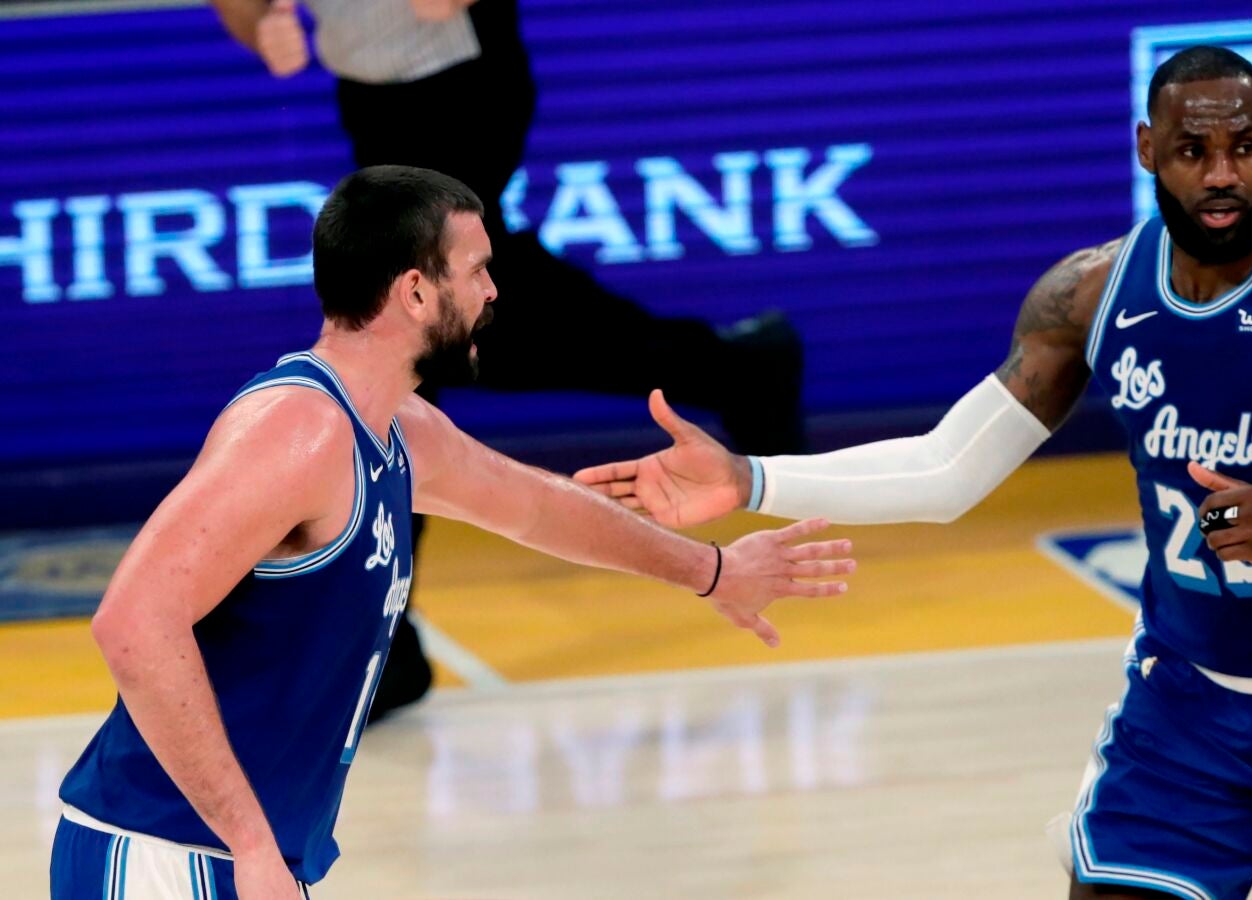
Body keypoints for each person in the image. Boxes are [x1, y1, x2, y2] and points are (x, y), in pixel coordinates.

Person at [575, 46, 1252, 899]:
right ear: (1148, 150)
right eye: (1193, 151)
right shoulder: (1092, 295)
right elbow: (948, 468)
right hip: (1186, 701)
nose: (1222, 174)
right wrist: (749, 479)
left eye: (1243, 147)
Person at [49, 166, 851, 900]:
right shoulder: (299, 430)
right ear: (415, 292)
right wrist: (249, 843)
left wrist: (712, 571)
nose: (494, 292)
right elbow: (133, 622)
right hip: (164, 853)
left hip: (231, 856)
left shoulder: (399, 428)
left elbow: (538, 507)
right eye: (476, 270)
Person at [209, 0, 809, 719]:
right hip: (370, 93)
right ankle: (740, 370)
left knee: (411, 332)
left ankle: (381, 646)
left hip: (458, 77)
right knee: (476, 326)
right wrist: (260, 21)